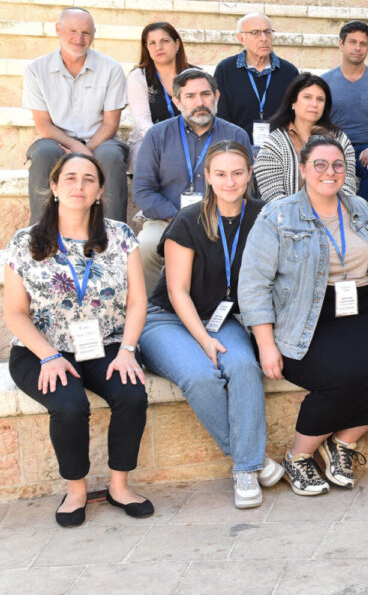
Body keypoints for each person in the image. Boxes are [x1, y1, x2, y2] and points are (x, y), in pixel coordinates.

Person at [239, 135, 368, 496]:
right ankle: (298, 455)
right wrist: (265, 343)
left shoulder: (361, 209)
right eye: (319, 164)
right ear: (303, 170)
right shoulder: (278, 214)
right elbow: (253, 283)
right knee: (342, 375)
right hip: (304, 320)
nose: (329, 172)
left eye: (337, 165)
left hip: (361, 310)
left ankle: (342, 444)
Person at [4, 153, 151, 527]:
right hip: (41, 348)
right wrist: (49, 356)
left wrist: (129, 349)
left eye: (89, 179)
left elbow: (137, 300)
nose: (79, 186)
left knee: (132, 393)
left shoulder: (120, 236)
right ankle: (76, 490)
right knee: (69, 405)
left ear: (101, 190)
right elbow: (15, 313)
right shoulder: (25, 241)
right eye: (69, 178)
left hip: (107, 342)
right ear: (53, 187)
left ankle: (119, 486)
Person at [137, 142, 282, 509]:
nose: (229, 181)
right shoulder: (187, 221)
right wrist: (203, 340)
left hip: (223, 315)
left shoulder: (264, 215)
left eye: (237, 173)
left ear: (250, 174)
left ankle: (248, 462)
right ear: (207, 177)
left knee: (244, 367)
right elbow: (177, 290)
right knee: (203, 375)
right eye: (220, 174)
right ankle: (249, 466)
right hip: (168, 318)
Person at [132, 68, 253, 292]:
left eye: (206, 94)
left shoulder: (236, 136)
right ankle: (150, 312)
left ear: (216, 97)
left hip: (221, 220)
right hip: (166, 220)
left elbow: (247, 188)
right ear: (177, 102)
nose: (200, 102)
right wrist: (176, 218)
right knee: (147, 245)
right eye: (190, 96)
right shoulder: (157, 135)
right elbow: (142, 189)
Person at [24, 7, 129, 223]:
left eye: (86, 33)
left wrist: (84, 151)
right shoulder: (36, 69)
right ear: (58, 30)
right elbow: (43, 124)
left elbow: (110, 124)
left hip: (100, 139)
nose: (78, 39)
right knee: (44, 154)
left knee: (111, 156)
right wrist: (77, 149)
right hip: (55, 140)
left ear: (94, 34)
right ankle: (39, 238)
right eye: (72, 31)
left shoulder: (111, 69)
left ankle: (114, 238)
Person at [321, 20, 368, 211]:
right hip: (335, 144)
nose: (358, 47)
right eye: (352, 42)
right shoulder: (324, 82)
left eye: (363, 44)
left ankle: (366, 220)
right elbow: (318, 123)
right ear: (341, 44)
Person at [253, 73, 359, 202]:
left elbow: (347, 187)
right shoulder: (275, 142)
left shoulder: (339, 140)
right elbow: (272, 194)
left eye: (320, 99)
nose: (314, 104)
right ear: (293, 102)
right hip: (286, 218)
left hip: (334, 217)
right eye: (307, 97)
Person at [214, 12, 300, 147]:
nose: (264, 38)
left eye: (268, 32)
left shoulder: (289, 72)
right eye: (255, 33)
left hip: (279, 149)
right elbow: (221, 116)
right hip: (237, 148)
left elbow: (295, 116)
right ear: (241, 38)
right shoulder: (225, 69)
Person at [126, 22, 192, 167]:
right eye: (152, 43)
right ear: (146, 48)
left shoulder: (195, 75)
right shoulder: (138, 76)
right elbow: (142, 121)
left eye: (165, 41)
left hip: (191, 141)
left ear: (177, 44)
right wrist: (169, 145)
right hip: (149, 142)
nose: (159, 47)